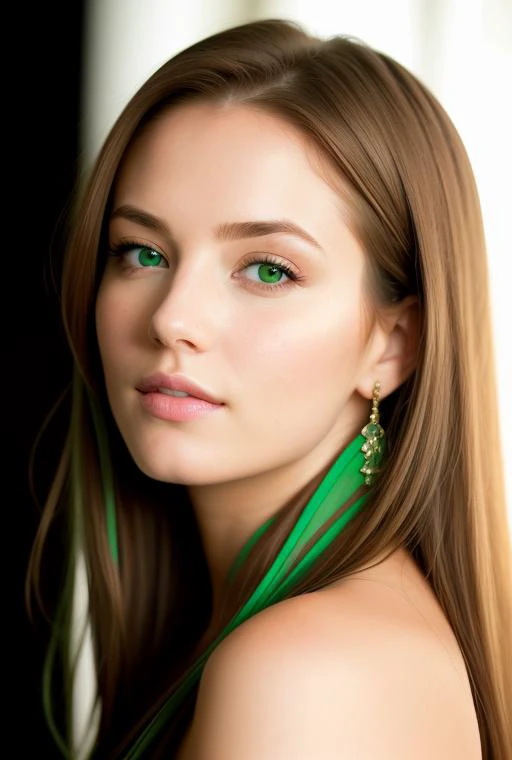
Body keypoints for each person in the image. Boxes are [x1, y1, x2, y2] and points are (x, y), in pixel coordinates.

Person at [26, 16, 512, 760]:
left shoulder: (306, 673)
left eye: (268, 269)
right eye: (143, 251)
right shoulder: (297, 636)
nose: (174, 319)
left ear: (393, 344)